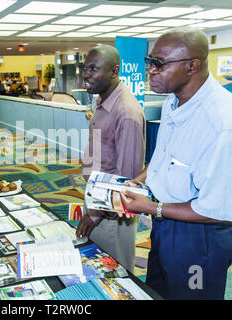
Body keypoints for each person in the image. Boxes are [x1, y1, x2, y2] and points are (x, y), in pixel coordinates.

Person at [119, 27, 232, 300]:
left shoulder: (224, 123)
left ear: (192, 66)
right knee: (158, 292)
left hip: (199, 239)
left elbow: (217, 209)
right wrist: (140, 180)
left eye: (159, 64)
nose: (151, 71)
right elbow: (163, 157)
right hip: (165, 224)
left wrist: (150, 207)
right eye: (150, 62)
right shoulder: (173, 101)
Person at [75, 45, 146, 273]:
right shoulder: (104, 101)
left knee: (116, 274)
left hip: (112, 213)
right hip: (98, 200)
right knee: (98, 271)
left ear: (114, 71)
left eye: (94, 69)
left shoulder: (126, 113)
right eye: (85, 68)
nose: (86, 74)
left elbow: (127, 184)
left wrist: (95, 213)